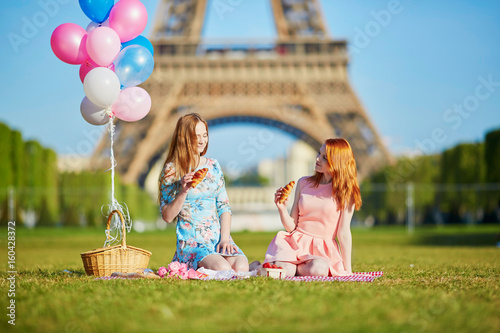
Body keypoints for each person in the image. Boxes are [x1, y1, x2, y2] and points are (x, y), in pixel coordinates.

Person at [158, 113, 249, 272]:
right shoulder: (172, 170)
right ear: (184, 137)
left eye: (205, 135)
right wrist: (183, 191)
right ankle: (186, 261)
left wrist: (225, 239)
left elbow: (224, 207)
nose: (202, 140)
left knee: (241, 266)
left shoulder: (214, 166)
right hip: (192, 242)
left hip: (218, 239)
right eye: (196, 136)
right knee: (222, 267)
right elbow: (167, 216)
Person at [262, 138, 362, 277]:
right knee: (284, 270)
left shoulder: (346, 192)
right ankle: (291, 268)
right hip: (294, 244)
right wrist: (282, 209)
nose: (317, 159)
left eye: (324, 157)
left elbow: (343, 233)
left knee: (318, 269)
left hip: (322, 250)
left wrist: (348, 270)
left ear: (337, 161)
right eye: (319, 153)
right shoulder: (303, 183)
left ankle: (297, 269)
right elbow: (292, 227)